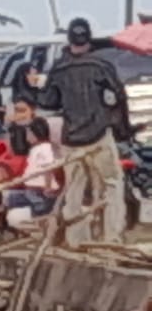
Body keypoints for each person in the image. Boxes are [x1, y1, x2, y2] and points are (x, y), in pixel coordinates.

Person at [36, 18, 131, 246]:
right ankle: (111, 237)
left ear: (69, 40)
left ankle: (76, 239)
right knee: (112, 185)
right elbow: (119, 97)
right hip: (99, 136)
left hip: (72, 138)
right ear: (89, 39)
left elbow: (48, 102)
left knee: (74, 190)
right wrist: (122, 129)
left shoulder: (59, 69)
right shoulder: (101, 66)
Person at [7, 118, 60, 229]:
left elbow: (48, 168)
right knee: (9, 198)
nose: (27, 137)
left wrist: (47, 186)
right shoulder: (35, 149)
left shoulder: (45, 148)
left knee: (39, 208)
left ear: (35, 133)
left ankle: (41, 223)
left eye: (29, 133)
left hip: (39, 190)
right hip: (31, 189)